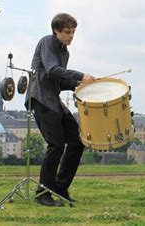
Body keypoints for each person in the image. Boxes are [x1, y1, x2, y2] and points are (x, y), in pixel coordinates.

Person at [26, 13, 96, 207]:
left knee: (77, 141)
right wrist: (81, 75)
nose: (71, 36)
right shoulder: (47, 42)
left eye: (73, 32)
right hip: (40, 99)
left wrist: (79, 84)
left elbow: (59, 80)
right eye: (67, 32)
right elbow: (51, 70)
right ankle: (43, 193)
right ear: (56, 31)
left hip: (53, 99)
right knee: (56, 145)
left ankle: (59, 186)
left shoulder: (65, 52)